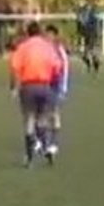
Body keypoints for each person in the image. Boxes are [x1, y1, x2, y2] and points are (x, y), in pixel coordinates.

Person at [9, 21, 64, 167]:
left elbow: (15, 67)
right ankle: (46, 146)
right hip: (45, 86)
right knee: (43, 119)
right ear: (40, 32)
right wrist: (55, 87)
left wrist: (14, 87)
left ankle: (29, 157)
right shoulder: (48, 47)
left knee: (29, 120)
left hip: (28, 86)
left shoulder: (22, 47)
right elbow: (57, 67)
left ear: (27, 33)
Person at [44, 24, 70, 157]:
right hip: (43, 83)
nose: (48, 37)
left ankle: (53, 143)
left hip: (55, 84)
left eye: (50, 35)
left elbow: (65, 68)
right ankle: (42, 141)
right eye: (46, 34)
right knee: (41, 113)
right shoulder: (42, 48)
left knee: (54, 113)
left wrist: (64, 87)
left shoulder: (59, 50)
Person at [74, 0, 102, 75]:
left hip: (91, 33)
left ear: (83, 0)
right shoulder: (79, 11)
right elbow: (79, 23)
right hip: (85, 34)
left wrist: (96, 31)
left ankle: (95, 66)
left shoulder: (89, 9)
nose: (78, 3)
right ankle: (92, 65)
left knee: (89, 51)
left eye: (80, 1)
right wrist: (79, 33)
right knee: (84, 54)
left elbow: (93, 20)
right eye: (78, 1)